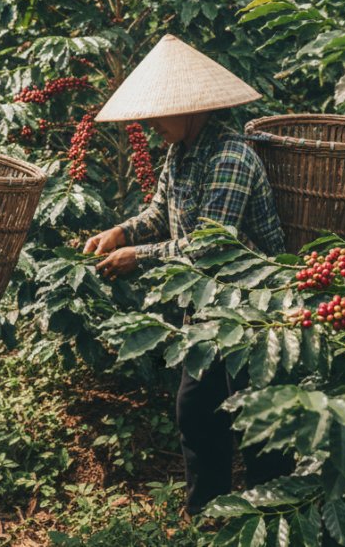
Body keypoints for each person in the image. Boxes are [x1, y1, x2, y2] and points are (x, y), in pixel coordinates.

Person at [82, 34, 289, 514]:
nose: (151, 123)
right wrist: (120, 230)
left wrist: (139, 256)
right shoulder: (180, 152)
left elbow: (208, 246)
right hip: (208, 306)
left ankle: (273, 513)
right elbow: (158, 214)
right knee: (196, 412)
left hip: (255, 307)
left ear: (192, 108)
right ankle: (207, 515)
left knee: (260, 419)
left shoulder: (231, 158)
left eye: (159, 113)